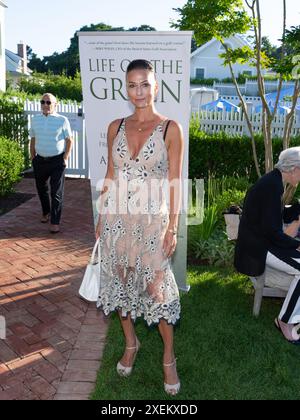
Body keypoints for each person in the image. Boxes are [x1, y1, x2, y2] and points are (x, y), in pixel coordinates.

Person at [95, 59, 184, 395]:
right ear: (126, 88)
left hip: (151, 223)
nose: (139, 92)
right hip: (116, 221)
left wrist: (172, 227)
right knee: (120, 286)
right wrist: (101, 216)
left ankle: (168, 356)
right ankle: (131, 343)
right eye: (133, 85)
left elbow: (175, 181)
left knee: (156, 292)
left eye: (145, 84)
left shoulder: (170, 128)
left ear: (156, 85)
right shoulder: (115, 126)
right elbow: (110, 176)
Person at [234, 147, 300, 344]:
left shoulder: (273, 181)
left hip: (263, 242)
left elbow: (277, 215)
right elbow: (272, 231)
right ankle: (285, 321)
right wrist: (295, 245)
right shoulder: (272, 186)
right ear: (295, 169)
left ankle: (289, 317)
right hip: (260, 248)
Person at [30, 93, 73, 233]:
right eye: (43, 102)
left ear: (56, 104)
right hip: (40, 161)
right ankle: (46, 212)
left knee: (56, 193)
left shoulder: (62, 120)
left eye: (48, 102)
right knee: (41, 190)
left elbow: (69, 140)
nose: (45, 105)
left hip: (56, 161)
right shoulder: (35, 119)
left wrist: (65, 158)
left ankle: (55, 222)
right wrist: (32, 157)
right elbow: (33, 138)